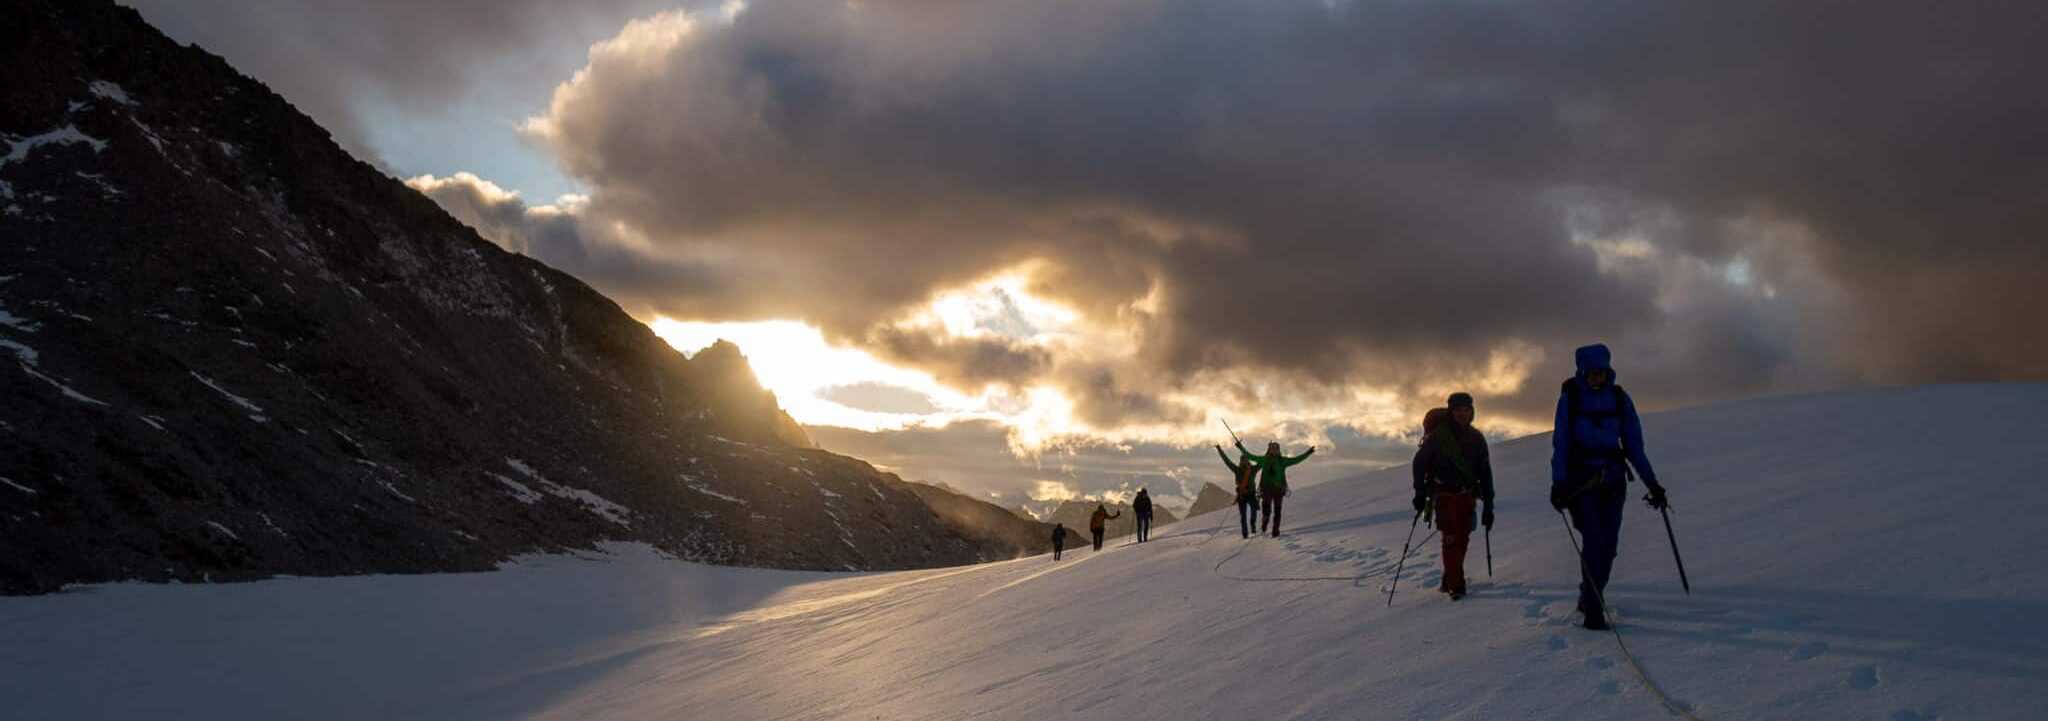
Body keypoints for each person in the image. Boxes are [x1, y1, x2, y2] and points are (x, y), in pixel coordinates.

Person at [1550, 343, 1670, 630]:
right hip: (1581, 483)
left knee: (1609, 547)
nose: (1596, 377)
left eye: (1601, 372)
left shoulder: (1619, 399)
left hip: (1614, 482)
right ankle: (1593, 608)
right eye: (1591, 373)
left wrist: (1652, 483)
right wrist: (1559, 484)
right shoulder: (1570, 400)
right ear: (1581, 371)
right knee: (1594, 542)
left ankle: (1590, 593)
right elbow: (1561, 444)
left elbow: (1634, 447)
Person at [1412, 393, 1494, 600]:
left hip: (1467, 494)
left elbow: (1485, 472)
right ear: (1451, 412)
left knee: (1463, 538)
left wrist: (1489, 504)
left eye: (1466, 409)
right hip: (1443, 494)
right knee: (1450, 539)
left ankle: (1449, 578)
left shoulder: (1477, 438)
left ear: (1471, 411)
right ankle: (1457, 586)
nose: (1462, 414)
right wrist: (1420, 493)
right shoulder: (1438, 437)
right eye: (1458, 410)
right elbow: (1419, 463)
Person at [1236, 439, 1314, 537]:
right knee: (1267, 511)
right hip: (1266, 489)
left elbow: (1296, 460)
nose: (1274, 450)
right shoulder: (1265, 459)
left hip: (1278, 489)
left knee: (1277, 511)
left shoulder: (1282, 461)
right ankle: (1265, 522)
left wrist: (1308, 453)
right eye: (1272, 448)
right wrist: (1240, 447)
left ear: (1278, 450)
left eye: (1276, 448)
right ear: (1270, 449)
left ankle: (1275, 532)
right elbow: (1250, 456)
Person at [1215, 444, 1262, 538]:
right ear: (1241, 461)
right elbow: (1227, 461)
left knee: (1254, 510)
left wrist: (1269, 450)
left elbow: (1262, 461)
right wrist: (1219, 450)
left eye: (1245, 459)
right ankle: (1245, 534)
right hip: (1242, 495)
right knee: (1243, 516)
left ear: (1247, 460)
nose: (1243, 461)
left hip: (1250, 494)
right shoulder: (1238, 469)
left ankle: (1252, 525)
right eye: (1242, 460)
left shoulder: (1252, 469)